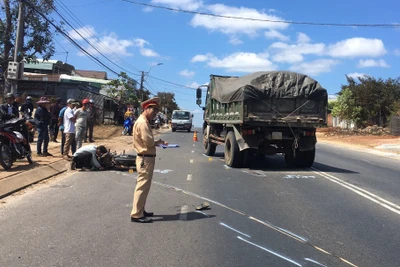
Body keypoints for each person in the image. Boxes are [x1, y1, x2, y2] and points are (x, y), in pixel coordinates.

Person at [130, 97, 168, 223]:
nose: (154, 114)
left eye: (156, 112)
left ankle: (141, 209)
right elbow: (149, 142)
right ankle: (137, 214)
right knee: (142, 186)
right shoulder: (143, 123)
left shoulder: (143, 121)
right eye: (153, 111)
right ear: (146, 109)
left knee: (144, 186)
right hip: (145, 158)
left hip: (146, 158)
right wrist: (159, 142)